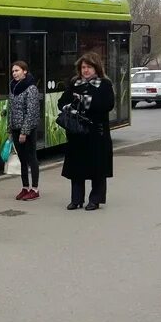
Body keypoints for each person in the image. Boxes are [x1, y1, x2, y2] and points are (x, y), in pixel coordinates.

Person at [57, 52, 114, 211]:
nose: (86, 70)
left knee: (97, 168)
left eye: (89, 67)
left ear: (96, 68)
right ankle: (76, 200)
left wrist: (82, 100)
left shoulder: (104, 84)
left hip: (97, 133)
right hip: (77, 133)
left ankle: (95, 199)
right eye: (83, 67)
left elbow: (107, 105)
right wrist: (68, 106)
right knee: (76, 168)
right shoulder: (75, 83)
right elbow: (62, 102)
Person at [8, 60, 40, 201]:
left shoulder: (31, 88)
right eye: (13, 71)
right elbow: (11, 110)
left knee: (31, 158)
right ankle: (25, 187)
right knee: (22, 159)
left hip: (27, 130)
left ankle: (35, 188)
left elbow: (31, 112)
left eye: (17, 70)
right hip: (15, 128)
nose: (15, 73)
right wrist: (10, 129)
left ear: (25, 71)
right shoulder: (13, 86)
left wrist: (24, 132)